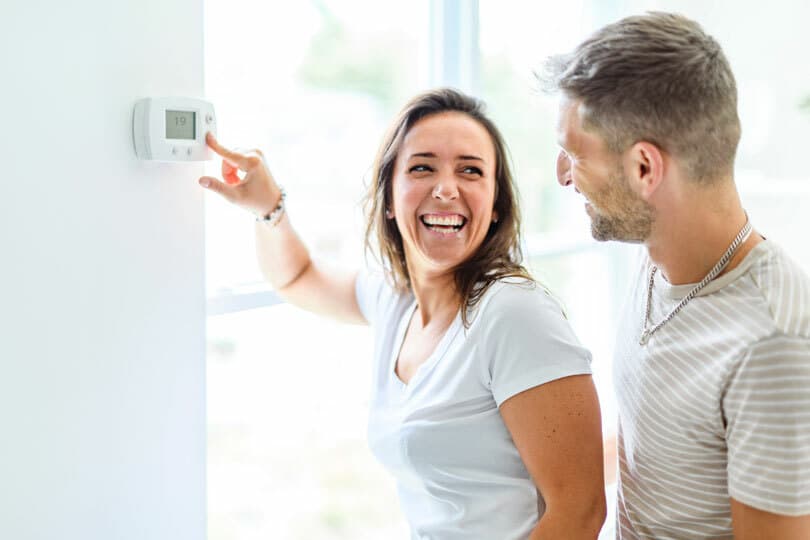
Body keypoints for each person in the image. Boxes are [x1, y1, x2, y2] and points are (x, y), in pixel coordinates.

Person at [199, 88, 606, 539]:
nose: (446, 188)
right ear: (391, 199)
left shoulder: (514, 313)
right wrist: (268, 209)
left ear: (495, 207)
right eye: (422, 168)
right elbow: (298, 277)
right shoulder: (397, 300)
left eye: (470, 170)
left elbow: (580, 512)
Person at [544, 11, 810, 539]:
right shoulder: (658, 254)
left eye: (575, 154)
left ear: (645, 169)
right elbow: (670, 447)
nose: (562, 174)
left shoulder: (771, 342)